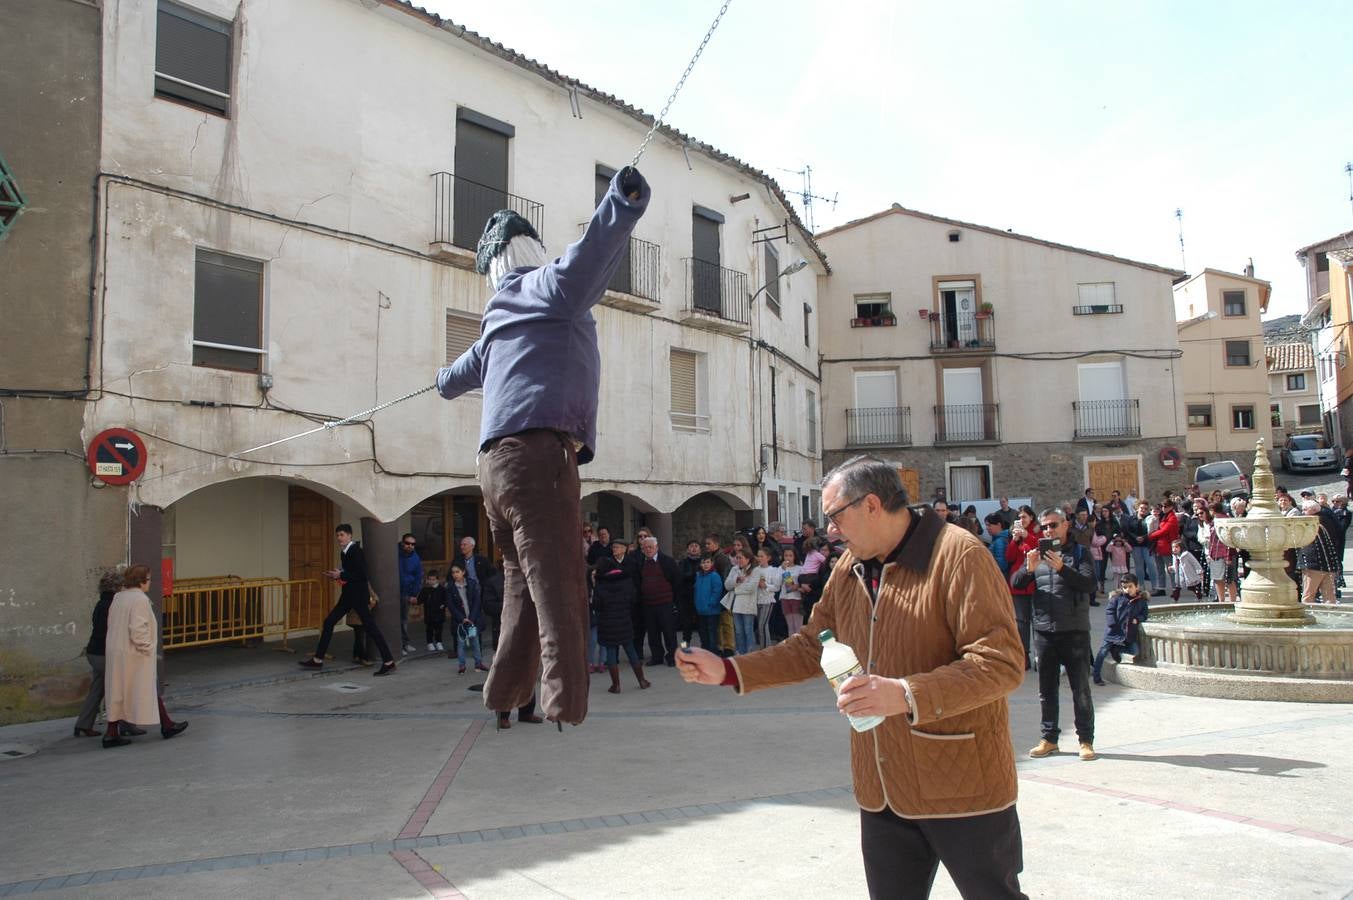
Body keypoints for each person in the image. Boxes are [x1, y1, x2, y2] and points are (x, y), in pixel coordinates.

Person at [677, 456, 1027, 899]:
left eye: (835, 517)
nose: (831, 531)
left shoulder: (960, 556)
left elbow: (1000, 663)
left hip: (961, 782)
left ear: (872, 505)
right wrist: (729, 670)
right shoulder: (850, 568)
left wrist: (904, 693)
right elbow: (811, 647)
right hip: (882, 786)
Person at [434, 166, 649, 725]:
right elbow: (591, 254)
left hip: (492, 470)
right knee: (559, 585)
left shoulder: (495, 317)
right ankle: (564, 701)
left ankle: (504, 691)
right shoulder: (548, 287)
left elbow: (458, 375)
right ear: (532, 252)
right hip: (539, 457)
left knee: (519, 589)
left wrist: (438, 380)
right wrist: (621, 204)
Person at [1013, 508, 1097, 762]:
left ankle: (1085, 740)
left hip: (1074, 632)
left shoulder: (1080, 553)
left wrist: (1062, 568)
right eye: (1045, 526)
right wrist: (1028, 569)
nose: (1049, 530)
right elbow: (1015, 584)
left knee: (1080, 689)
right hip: (1044, 631)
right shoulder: (1036, 555)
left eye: (1053, 525)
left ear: (1065, 525)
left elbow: (1089, 585)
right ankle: (1049, 739)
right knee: (1046, 690)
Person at [103, 565, 189, 748]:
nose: (150, 583)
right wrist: (148, 648)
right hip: (133, 654)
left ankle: (113, 732)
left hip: (116, 650)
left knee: (117, 691)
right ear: (141, 581)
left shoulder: (119, 597)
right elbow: (138, 629)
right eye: (148, 580)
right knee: (145, 688)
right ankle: (166, 725)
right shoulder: (140, 599)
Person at [300, 524, 396, 676]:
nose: (339, 538)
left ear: (350, 536)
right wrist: (337, 575)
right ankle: (318, 659)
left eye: (342, 535)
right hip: (348, 595)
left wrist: (341, 575)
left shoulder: (355, 551)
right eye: (338, 535)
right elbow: (350, 573)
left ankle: (389, 661)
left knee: (371, 627)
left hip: (358, 596)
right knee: (329, 621)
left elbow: (362, 575)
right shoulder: (345, 552)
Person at [591, 539, 649, 692]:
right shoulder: (626, 580)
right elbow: (632, 599)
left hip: (607, 624)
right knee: (631, 650)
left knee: (611, 652)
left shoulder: (601, 585)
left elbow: (596, 605)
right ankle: (642, 680)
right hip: (624, 620)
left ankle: (616, 685)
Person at [74, 570, 124, 739]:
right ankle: (124, 725)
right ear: (116, 587)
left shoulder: (100, 603)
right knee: (119, 688)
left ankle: (83, 724)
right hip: (105, 654)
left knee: (97, 689)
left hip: (94, 652)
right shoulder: (113, 605)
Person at [1092, 574, 1149, 685]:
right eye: (1124, 587)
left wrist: (1138, 619)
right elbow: (1110, 611)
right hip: (1112, 632)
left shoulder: (1141, 601)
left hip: (1127, 633)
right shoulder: (1117, 598)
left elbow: (1144, 614)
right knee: (1102, 653)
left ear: (1136, 587)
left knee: (1134, 650)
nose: (1127, 590)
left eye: (1130, 587)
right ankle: (1097, 676)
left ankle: (1116, 649)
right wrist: (1112, 623)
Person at [635, 535, 682, 667]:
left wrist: (673, 599)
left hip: (665, 603)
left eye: (650, 547)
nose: (648, 550)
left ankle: (672, 657)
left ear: (656, 547)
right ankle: (657, 657)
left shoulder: (667, 561)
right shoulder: (641, 562)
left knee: (669, 632)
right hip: (648, 604)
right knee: (652, 633)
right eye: (645, 548)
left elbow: (677, 580)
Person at [1005, 508, 1039, 671]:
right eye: (1019, 517)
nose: (1022, 519)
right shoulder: (1016, 533)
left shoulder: (1037, 531)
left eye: (1024, 517)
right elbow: (1009, 557)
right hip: (1019, 583)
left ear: (1031, 517)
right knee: (1021, 622)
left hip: (1034, 582)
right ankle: (1024, 655)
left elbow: (1039, 549)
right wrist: (1014, 540)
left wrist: (1027, 536)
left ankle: (1040, 655)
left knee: (1036, 620)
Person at [447, 562, 488, 674]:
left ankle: (478, 663)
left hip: (472, 619)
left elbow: (477, 602)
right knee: (461, 644)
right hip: (460, 621)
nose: (455, 574)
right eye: (453, 572)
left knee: (475, 642)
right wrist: (461, 618)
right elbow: (451, 605)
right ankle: (462, 665)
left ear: (463, 572)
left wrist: (471, 618)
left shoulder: (472, 584)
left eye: (457, 572)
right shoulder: (450, 587)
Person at [1299, 499, 1342, 605]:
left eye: (1305, 510)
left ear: (1313, 510)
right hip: (1330, 564)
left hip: (1313, 564)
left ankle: (1307, 618)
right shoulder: (1327, 519)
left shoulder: (1312, 522)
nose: (1303, 512)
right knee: (1329, 596)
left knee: (1308, 596)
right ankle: (1331, 618)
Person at [725, 549, 759, 655]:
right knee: (739, 632)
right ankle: (740, 653)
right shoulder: (734, 569)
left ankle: (750, 654)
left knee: (748, 631)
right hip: (736, 605)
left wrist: (736, 589)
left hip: (748, 606)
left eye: (741, 558)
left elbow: (751, 588)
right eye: (737, 558)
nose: (738, 560)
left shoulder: (755, 570)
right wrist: (736, 580)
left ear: (748, 559)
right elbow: (727, 585)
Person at [692, 554, 725, 653]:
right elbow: (696, 591)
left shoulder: (715, 576)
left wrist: (710, 604)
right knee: (702, 632)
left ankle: (713, 651)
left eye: (707, 562)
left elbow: (717, 592)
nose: (705, 564)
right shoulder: (698, 575)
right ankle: (705, 649)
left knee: (712, 632)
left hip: (712, 610)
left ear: (712, 563)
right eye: (703, 562)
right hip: (700, 610)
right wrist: (697, 604)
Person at [397, 533, 423, 655]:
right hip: (393, 592)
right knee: (393, 620)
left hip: (406, 593)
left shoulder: (415, 558)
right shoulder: (395, 553)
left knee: (403, 620)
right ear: (402, 543)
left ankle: (405, 644)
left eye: (413, 544)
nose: (410, 546)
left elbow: (418, 577)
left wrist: (414, 594)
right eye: (407, 543)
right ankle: (398, 646)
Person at [1147, 501, 1179, 597]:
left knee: (1170, 569)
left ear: (1171, 507)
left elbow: (1164, 530)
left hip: (1167, 546)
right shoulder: (1164, 516)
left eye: (1166, 506)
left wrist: (1151, 535)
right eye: (1163, 506)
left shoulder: (1172, 518)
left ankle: (1175, 588)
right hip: (1160, 546)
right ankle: (1161, 588)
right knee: (1159, 568)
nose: (1164, 508)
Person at [1122, 501, 1153, 592]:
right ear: (1137, 508)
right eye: (1141, 508)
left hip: (1147, 544)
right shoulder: (1131, 519)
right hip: (1135, 545)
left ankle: (1155, 586)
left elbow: (1152, 530)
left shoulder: (1150, 518)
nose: (1143, 510)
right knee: (1138, 566)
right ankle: (1141, 585)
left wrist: (1143, 537)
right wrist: (1136, 537)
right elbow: (1128, 530)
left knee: (1150, 564)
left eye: (1145, 509)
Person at [677, 539, 703, 649]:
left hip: (700, 597)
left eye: (696, 546)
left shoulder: (703, 561)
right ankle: (684, 647)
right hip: (686, 598)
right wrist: (695, 574)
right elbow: (681, 576)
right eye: (691, 546)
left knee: (701, 625)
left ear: (700, 549)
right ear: (688, 549)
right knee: (686, 626)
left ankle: (705, 647)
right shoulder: (683, 562)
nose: (694, 548)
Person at [753, 546, 779, 649]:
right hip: (756, 600)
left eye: (762, 556)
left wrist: (766, 586)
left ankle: (766, 649)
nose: (759, 558)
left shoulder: (773, 570)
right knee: (762, 626)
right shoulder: (755, 570)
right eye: (758, 556)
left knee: (762, 625)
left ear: (768, 558)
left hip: (767, 601)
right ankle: (764, 647)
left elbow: (776, 587)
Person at [415, 570, 448, 652]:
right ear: (427, 580)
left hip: (439, 614)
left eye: (433, 579)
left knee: (439, 629)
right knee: (429, 629)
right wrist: (414, 600)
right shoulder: (425, 590)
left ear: (437, 580)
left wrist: (444, 605)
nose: (431, 581)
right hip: (429, 614)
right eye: (430, 579)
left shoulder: (442, 589)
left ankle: (439, 642)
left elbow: (446, 599)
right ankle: (429, 643)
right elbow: (419, 600)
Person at [778, 547, 805, 637]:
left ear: (794, 557)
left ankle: (799, 647)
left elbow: (802, 583)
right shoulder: (781, 568)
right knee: (790, 626)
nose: (788, 558)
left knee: (797, 626)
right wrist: (782, 569)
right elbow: (777, 583)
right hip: (785, 598)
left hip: (797, 598)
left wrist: (796, 586)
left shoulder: (800, 568)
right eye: (786, 556)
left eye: (790, 555)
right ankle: (791, 647)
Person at [985, 513, 1011, 581]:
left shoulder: (1000, 541)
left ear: (999, 525)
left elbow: (1001, 565)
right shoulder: (998, 539)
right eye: (986, 525)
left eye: (989, 525)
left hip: (999, 578)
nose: (987, 528)